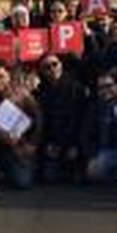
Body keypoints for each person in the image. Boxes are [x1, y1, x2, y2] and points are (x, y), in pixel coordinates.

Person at [0, 61, 42, 195]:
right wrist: (2, 136)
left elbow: (38, 117)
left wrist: (33, 143)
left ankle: (6, 169)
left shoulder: (22, 93)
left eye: (1, 76)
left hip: (17, 143)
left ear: (9, 77)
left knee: (23, 182)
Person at [36, 55, 89, 183]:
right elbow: (43, 122)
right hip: (54, 144)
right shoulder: (41, 91)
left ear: (61, 65)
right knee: (49, 177)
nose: (52, 68)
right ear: (42, 71)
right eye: (47, 67)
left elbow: (83, 120)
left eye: (55, 64)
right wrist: (48, 144)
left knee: (78, 179)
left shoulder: (77, 88)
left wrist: (76, 145)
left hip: (74, 142)